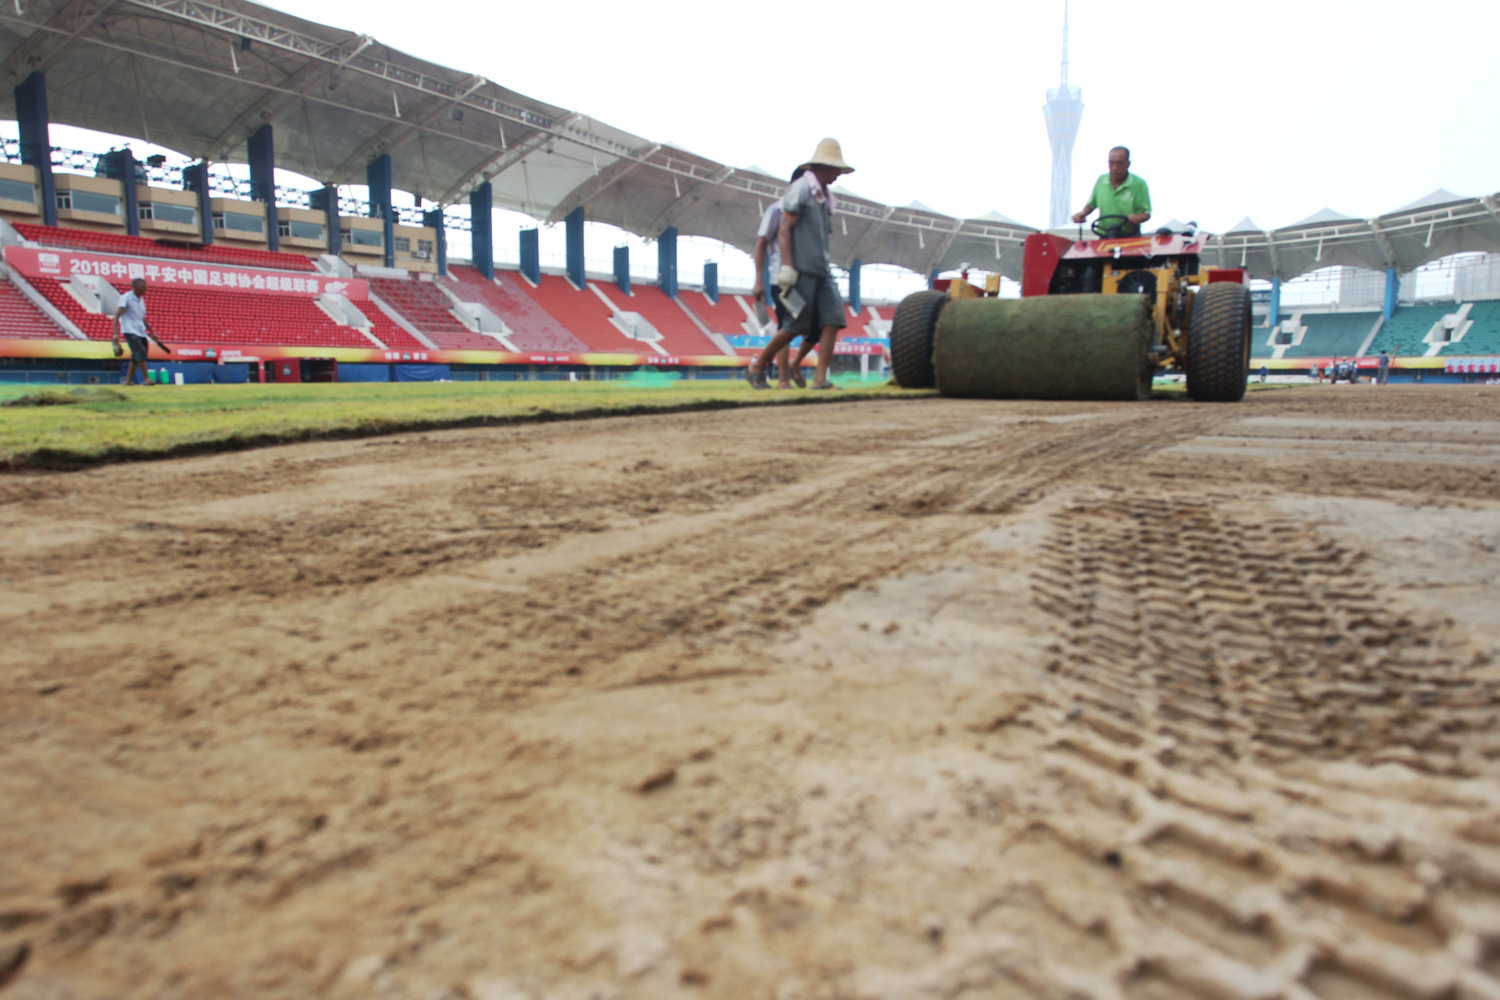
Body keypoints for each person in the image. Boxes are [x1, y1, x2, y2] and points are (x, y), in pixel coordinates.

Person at [745, 138, 853, 391]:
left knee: (834, 318)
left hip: (822, 271)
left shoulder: (825, 197)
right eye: (836, 169)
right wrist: (788, 267)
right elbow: (784, 230)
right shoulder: (801, 189)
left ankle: (820, 379)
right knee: (796, 325)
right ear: (823, 166)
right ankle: (758, 364)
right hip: (800, 271)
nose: (839, 174)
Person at [751, 168, 804, 389]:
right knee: (788, 326)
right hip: (782, 281)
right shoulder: (776, 211)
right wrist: (759, 280)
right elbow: (761, 245)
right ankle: (781, 376)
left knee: (811, 325)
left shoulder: (808, 212)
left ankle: (791, 365)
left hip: (805, 279)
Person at [1072, 146, 1151, 238]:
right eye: (1111, 163)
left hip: (1130, 237)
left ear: (1128, 164)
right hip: (1104, 236)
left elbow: (1146, 214)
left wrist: (1137, 218)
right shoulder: (1101, 181)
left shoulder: (1139, 184)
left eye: (1120, 163)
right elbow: (1092, 204)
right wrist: (1082, 214)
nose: (1115, 168)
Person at [112, 278, 168, 386]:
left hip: (140, 331)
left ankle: (127, 381)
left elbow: (142, 318)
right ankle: (146, 379)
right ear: (136, 287)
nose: (145, 291)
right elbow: (117, 315)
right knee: (141, 353)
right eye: (143, 288)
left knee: (136, 357)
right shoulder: (126, 298)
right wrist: (115, 333)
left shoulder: (141, 300)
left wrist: (151, 331)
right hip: (129, 330)